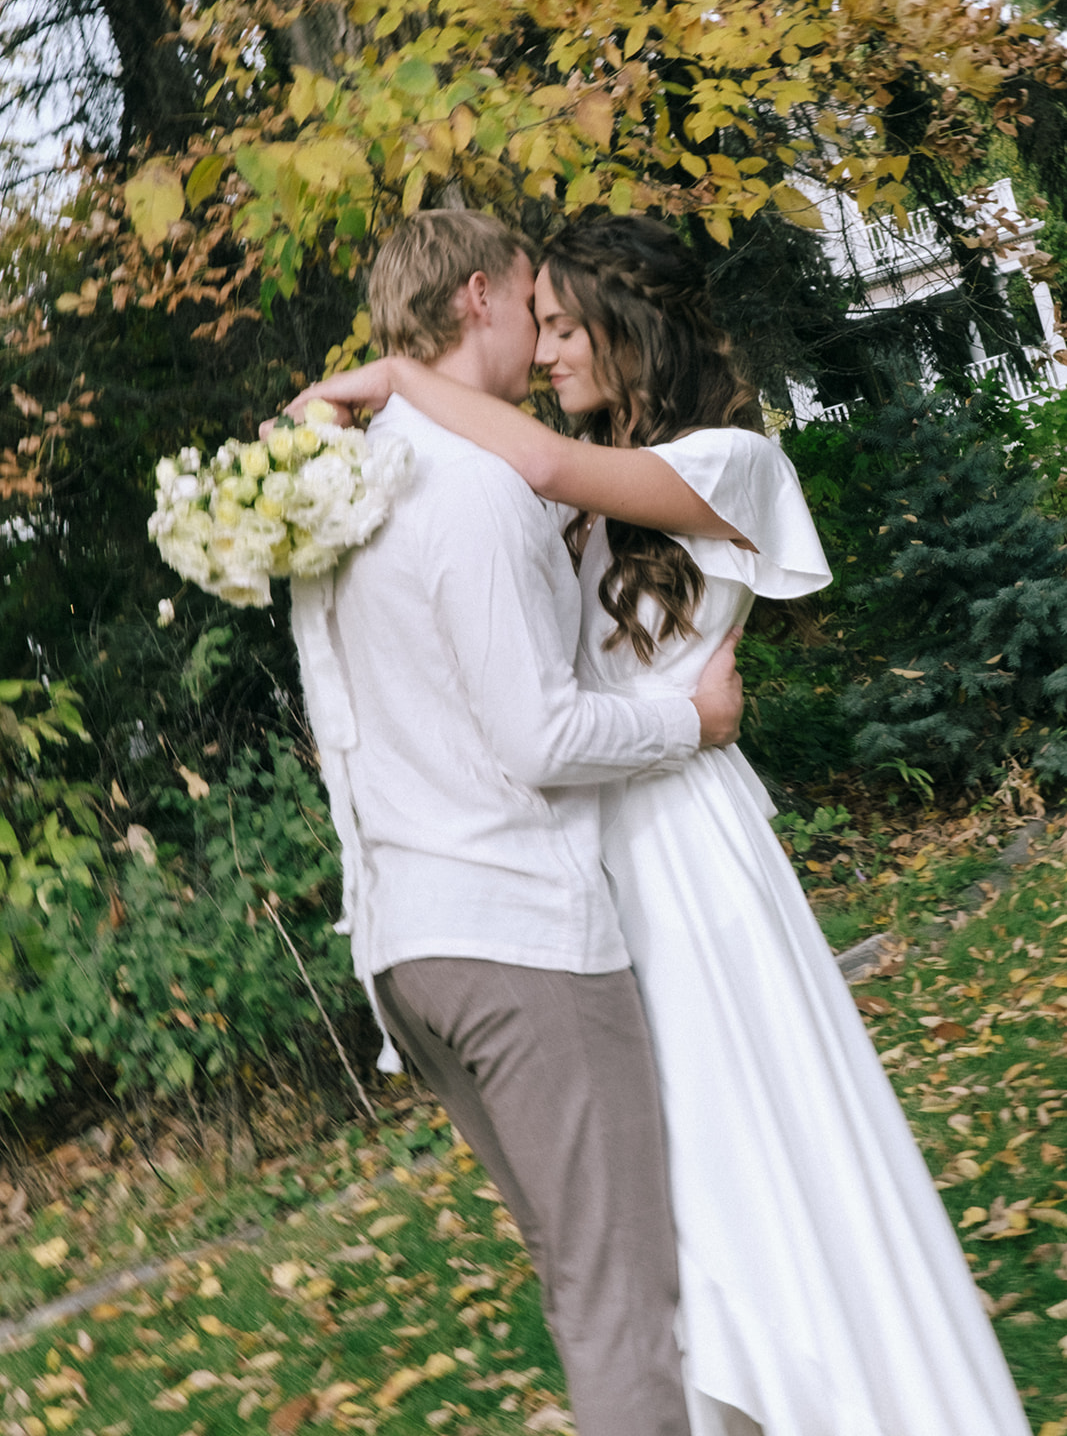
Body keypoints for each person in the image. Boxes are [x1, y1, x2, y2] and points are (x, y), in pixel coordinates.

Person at [292, 214, 1033, 1436]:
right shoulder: (550, 491)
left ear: (632, 332)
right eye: (544, 320)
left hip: (686, 854)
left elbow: (535, 465)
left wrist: (397, 381)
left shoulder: (730, 461)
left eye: (572, 327)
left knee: (751, 1157)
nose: (549, 350)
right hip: (586, 857)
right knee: (660, 1208)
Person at [276, 209, 752, 1436]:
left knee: (580, 1272)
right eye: (534, 306)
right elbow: (538, 738)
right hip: (518, 944)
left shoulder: (330, 490)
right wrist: (685, 723)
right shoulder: (475, 485)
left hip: (405, 947)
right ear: (478, 295)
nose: (548, 340)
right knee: (620, 1303)